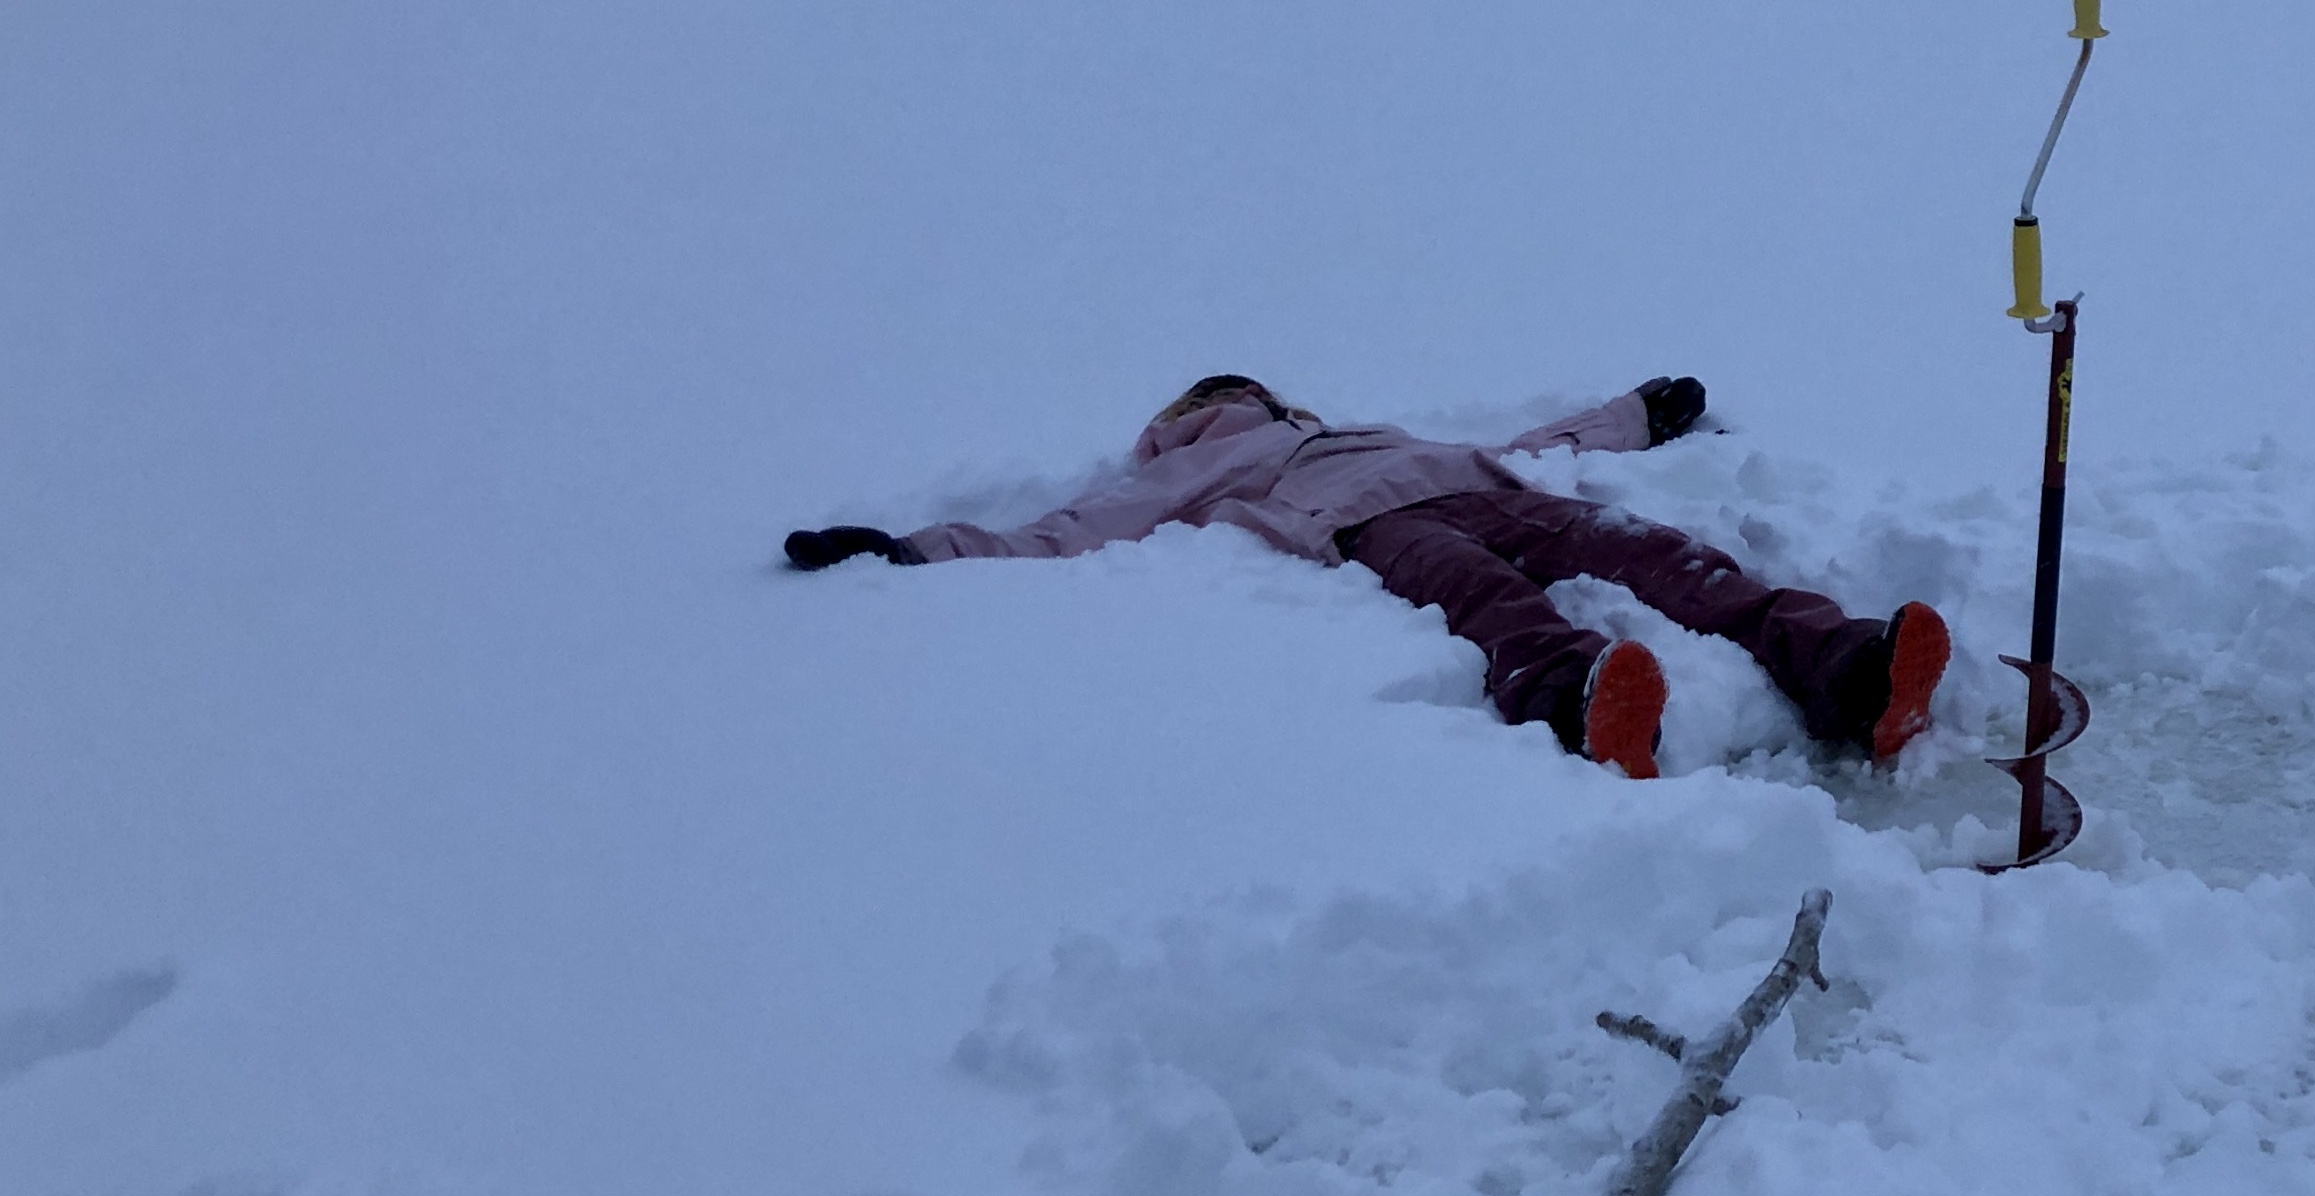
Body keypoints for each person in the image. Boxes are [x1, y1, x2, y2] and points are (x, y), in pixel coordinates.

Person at [779, 373, 1949, 781]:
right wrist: (910, 549)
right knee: (1492, 605)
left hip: (1493, 488)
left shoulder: (1368, 427)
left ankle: (1850, 665)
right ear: (1175, 430)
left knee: (1669, 561)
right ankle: (1577, 698)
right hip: (1371, 529)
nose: (1228, 409)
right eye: (1203, 404)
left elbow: (1543, 441)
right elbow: (1066, 530)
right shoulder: (1194, 472)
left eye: (1237, 395)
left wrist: (1637, 414)